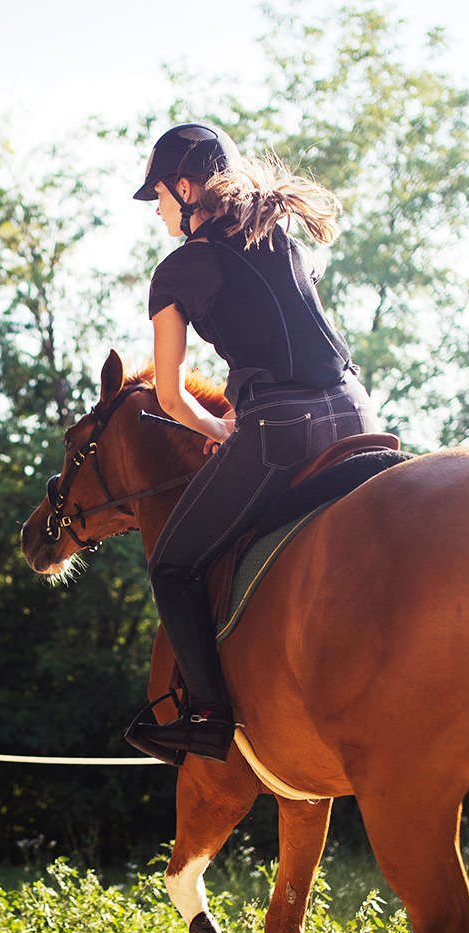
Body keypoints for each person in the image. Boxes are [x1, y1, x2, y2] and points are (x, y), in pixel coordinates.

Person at [125, 121, 379, 765]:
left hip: (282, 431)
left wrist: (220, 429)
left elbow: (169, 398)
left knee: (171, 565)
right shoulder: (281, 237)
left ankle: (208, 716)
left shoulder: (177, 271)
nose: (156, 210)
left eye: (158, 195)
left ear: (185, 189)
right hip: (358, 411)